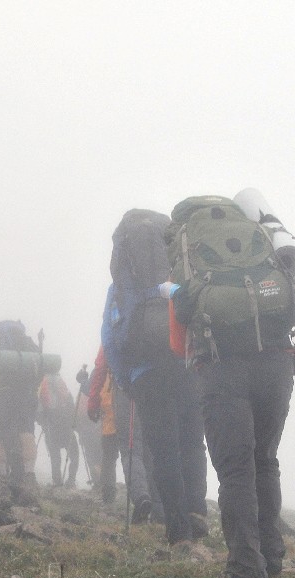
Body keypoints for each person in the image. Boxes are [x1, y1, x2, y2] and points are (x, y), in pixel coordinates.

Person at [168, 261, 295, 578]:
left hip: (221, 368)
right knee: (264, 460)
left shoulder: (194, 266)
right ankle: (271, 556)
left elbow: (178, 341)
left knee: (236, 471)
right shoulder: (266, 263)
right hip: (276, 367)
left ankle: (247, 576)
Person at [103, 210, 208, 546]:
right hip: (186, 364)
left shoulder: (122, 286)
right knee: (192, 440)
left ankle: (177, 529)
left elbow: (110, 337)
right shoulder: (182, 274)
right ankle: (197, 514)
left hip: (145, 373)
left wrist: (126, 380)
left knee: (162, 448)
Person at [86, 345, 161, 521]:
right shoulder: (153, 322)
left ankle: (140, 497)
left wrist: (93, 400)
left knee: (129, 450)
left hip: (125, 392)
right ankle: (159, 510)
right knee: (150, 451)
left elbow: (100, 367)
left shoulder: (115, 324)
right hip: (154, 389)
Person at [0, 320, 41, 503]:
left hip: (1, 395)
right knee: (26, 432)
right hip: (26, 394)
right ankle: (29, 475)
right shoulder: (28, 347)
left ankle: (2, 476)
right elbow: (39, 372)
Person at [37, 365, 80, 487]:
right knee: (74, 455)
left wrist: (43, 423)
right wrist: (74, 423)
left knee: (55, 457)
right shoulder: (61, 383)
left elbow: (39, 409)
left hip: (50, 425)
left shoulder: (42, 384)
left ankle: (57, 482)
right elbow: (71, 405)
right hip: (66, 425)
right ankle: (71, 480)